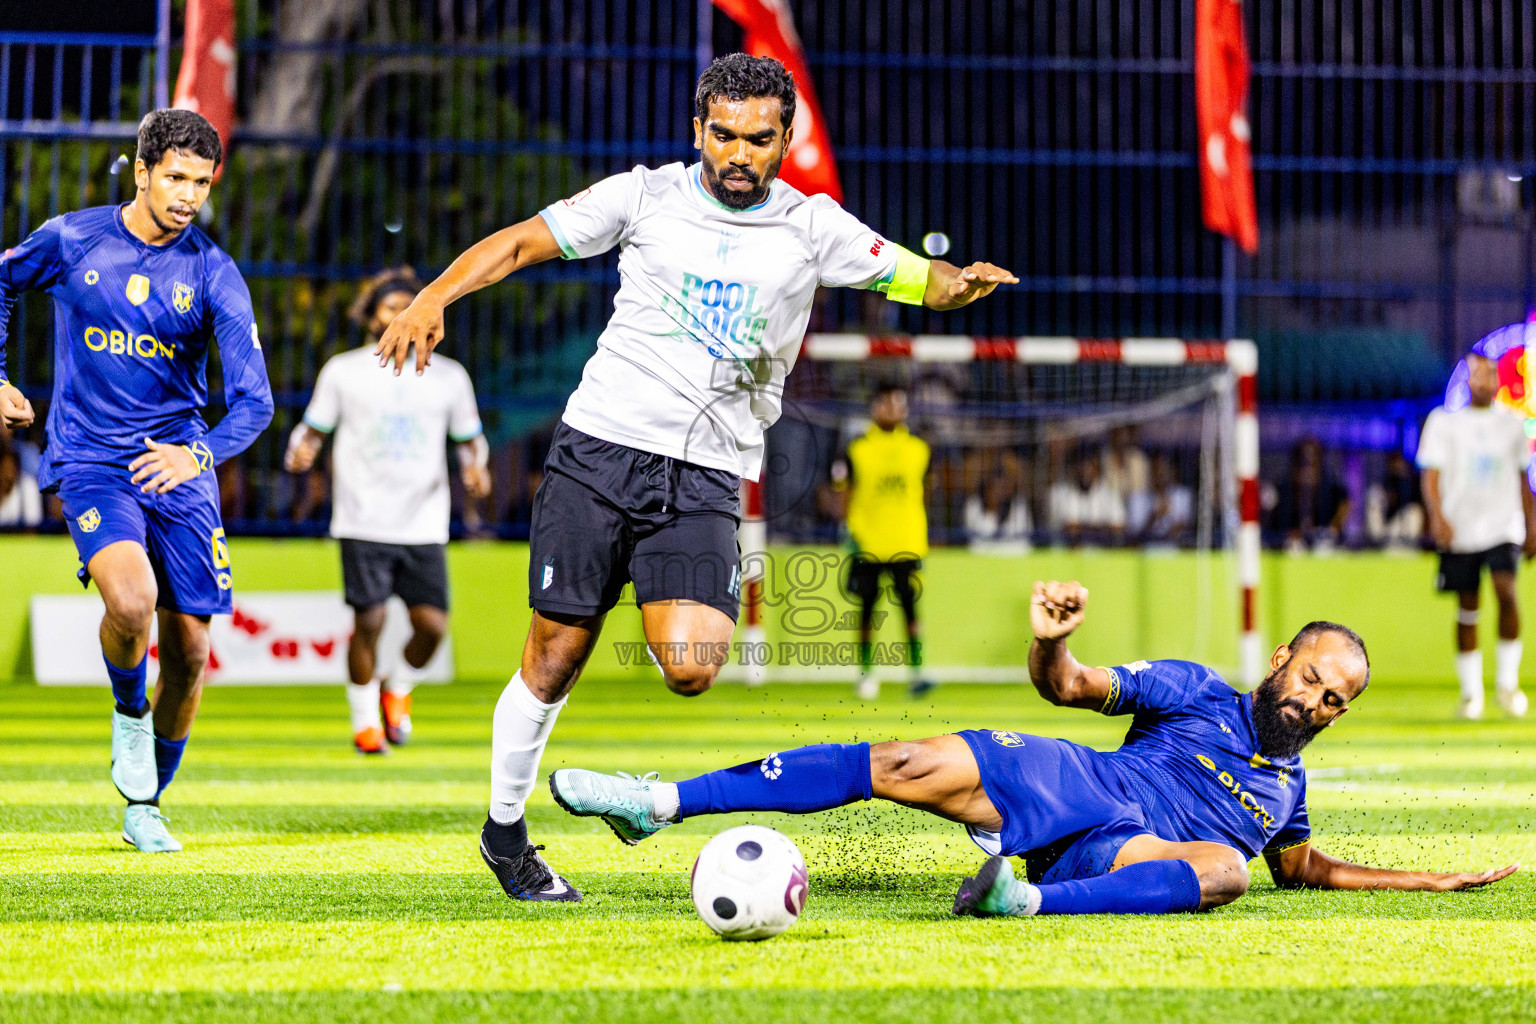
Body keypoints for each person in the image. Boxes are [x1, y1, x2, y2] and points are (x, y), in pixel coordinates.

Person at [374, 53, 1017, 901]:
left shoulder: (814, 225)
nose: (738, 153)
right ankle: (505, 835)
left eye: (758, 138)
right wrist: (434, 297)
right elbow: (523, 242)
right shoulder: (642, 197)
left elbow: (917, 279)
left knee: (690, 663)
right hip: (598, 451)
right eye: (722, 135)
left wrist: (957, 287)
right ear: (698, 132)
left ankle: (639, 790)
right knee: (555, 654)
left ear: (786, 139)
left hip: (709, 475)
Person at [550, 579, 1518, 915]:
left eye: (1336, 699)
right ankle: (658, 802)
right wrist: (1053, 637)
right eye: (1313, 679)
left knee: (1224, 869)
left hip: (1123, 851)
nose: (1317, 702)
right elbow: (1071, 687)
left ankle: (1025, 899)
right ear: (1280, 662)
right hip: (1078, 778)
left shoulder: (1284, 796)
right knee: (899, 760)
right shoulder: (1198, 690)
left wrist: (1424, 881)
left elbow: (1304, 871)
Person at [0, 109, 273, 852]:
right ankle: (128, 717)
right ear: (143, 171)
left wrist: (200, 454)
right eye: (177, 178)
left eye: (202, 183)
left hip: (179, 470)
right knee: (133, 601)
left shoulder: (214, 272)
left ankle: (146, 802)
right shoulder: (73, 238)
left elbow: (256, 401)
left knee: (188, 654)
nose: (189, 196)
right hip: (91, 459)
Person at [285, 267, 490, 753]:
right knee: (369, 622)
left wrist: (476, 469)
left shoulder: (450, 378)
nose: (400, 313)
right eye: (389, 306)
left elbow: (470, 441)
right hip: (362, 517)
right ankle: (364, 723)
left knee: (432, 628)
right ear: (370, 316)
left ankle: (396, 690)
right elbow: (312, 429)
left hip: (424, 521)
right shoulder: (345, 371)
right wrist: (300, 450)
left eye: (409, 304)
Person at [1418, 352, 1536, 719]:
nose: (1483, 382)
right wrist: (1437, 516)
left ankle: (1507, 684)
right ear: (1465, 380)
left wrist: (1532, 525)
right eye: (1476, 375)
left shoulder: (1514, 424)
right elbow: (1430, 475)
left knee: (1507, 594)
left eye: (1489, 375)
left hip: (1503, 526)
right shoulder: (1443, 422)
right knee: (1467, 606)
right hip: (1461, 528)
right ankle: (1472, 694)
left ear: (1498, 379)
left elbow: (1522, 480)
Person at [830, 386, 933, 699]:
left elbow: (925, 489)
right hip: (869, 542)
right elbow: (843, 490)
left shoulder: (920, 448)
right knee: (866, 612)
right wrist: (846, 527)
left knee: (910, 611)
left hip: (906, 542)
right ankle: (865, 674)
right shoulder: (857, 448)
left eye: (899, 403)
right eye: (888, 403)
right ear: (875, 406)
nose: (894, 409)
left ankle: (917, 672)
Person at [1273, 438, 1350, 552]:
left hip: (1326, 545)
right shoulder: (1283, 490)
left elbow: (1345, 504)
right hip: (1293, 547)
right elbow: (1275, 529)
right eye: (1303, 466)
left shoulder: (1331, 488)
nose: (1308, 472)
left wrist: (1333, 528)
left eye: (1313, 465)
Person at [1048, 451, 1125, 545]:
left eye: (1089, 467)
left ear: (1096, 469)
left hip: (1103, 552)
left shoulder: (1109, 494)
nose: (1085, 471)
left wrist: (1083, 528)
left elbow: (1118, 528)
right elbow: (1070, 530)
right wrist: (1102, 528)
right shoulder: (1060, 492)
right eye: (1081, 466)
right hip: (1069, 553)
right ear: (1073, 469)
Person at [1127, 453, 1192, 544]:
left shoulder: (1182, 495)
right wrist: (1155, 515)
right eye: (1156, 472)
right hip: (1145, 546)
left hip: (1175, 546)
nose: (1160, 477)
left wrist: (1169, 514)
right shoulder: (1137, 497)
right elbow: (1134, 534)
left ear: (1171, 472)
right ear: (1149, 474)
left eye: (1163, 472)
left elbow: (1185, 528)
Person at [1365, 450, 1424, 550]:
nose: (1397, 466)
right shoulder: (1382, 486)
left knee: (1414, 511)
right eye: (1394, 463)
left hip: (1404, 531)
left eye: (1399, 463)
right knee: (1374, 495)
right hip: (1384, 533)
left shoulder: (1409, 486)